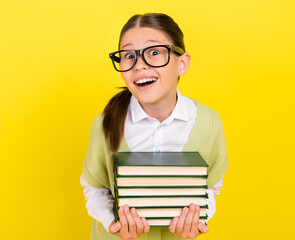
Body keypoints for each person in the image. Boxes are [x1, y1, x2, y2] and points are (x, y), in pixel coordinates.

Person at [80, 13, 228, 240]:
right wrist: (113, 224)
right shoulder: (106, 123)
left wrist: (198, 217)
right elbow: (96, 188)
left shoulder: (208, 123)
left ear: (182, 63)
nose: (139, 65)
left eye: (154, 52)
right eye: (129, 55)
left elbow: (210, 187)